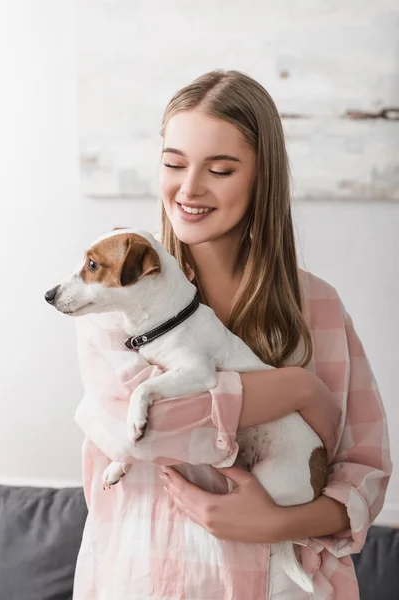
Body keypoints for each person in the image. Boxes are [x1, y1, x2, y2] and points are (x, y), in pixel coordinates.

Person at [72, 70, 392, 599]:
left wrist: (272, 523)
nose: (190, 188)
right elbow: (140, 429)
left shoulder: (318, 306)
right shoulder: (111, 297)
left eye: (220, 169)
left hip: (287, 585)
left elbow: (366, 472)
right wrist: (297, 390)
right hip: (147, 580)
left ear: (261, 178)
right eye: (174, 164)